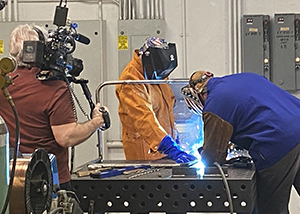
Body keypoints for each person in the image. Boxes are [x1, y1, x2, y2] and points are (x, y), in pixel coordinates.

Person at [0, 24, 107, 190]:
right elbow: (66, 137)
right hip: (50, 181)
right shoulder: (54, 88)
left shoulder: (3, 83)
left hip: (11, 179)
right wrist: (96, 122)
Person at [181, 70, 300, 214]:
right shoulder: (242, 78)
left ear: (201, 95)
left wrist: (203, 156)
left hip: (278, 143)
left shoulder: (215, 101)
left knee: (271, 208)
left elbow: (213, 156)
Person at [115, 37, 196, 163]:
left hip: (164, 151)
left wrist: (176, 140)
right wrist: (168, 146)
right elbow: (143, 118)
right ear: (147, 61)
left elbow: (168, 108)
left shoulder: (156, 74)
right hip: (145, 155)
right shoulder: (131, 80)